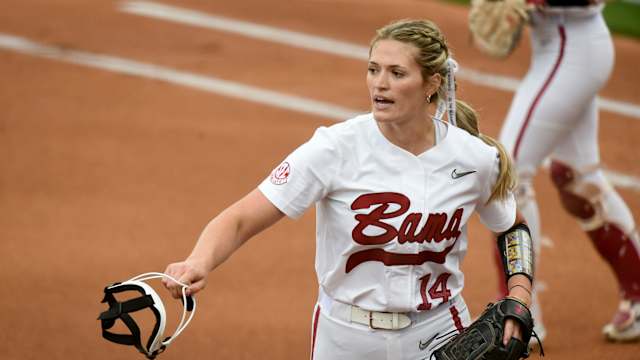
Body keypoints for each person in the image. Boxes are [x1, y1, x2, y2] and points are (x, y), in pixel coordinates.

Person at [162, 19, 537, 359]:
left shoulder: (473, 157)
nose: (380, 83)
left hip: (439, 331)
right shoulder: (335, 148)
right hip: (346, 337)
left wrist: (518, 295)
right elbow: (243, 217)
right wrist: (199, 261)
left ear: (432, 83)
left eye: (396, 72)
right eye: (373, 70)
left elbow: (512, 227)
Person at [494, 0, 640, 342]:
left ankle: (520, 315)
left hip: (573, 43)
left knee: (506, 175)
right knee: (575, 175)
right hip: (557, 43)